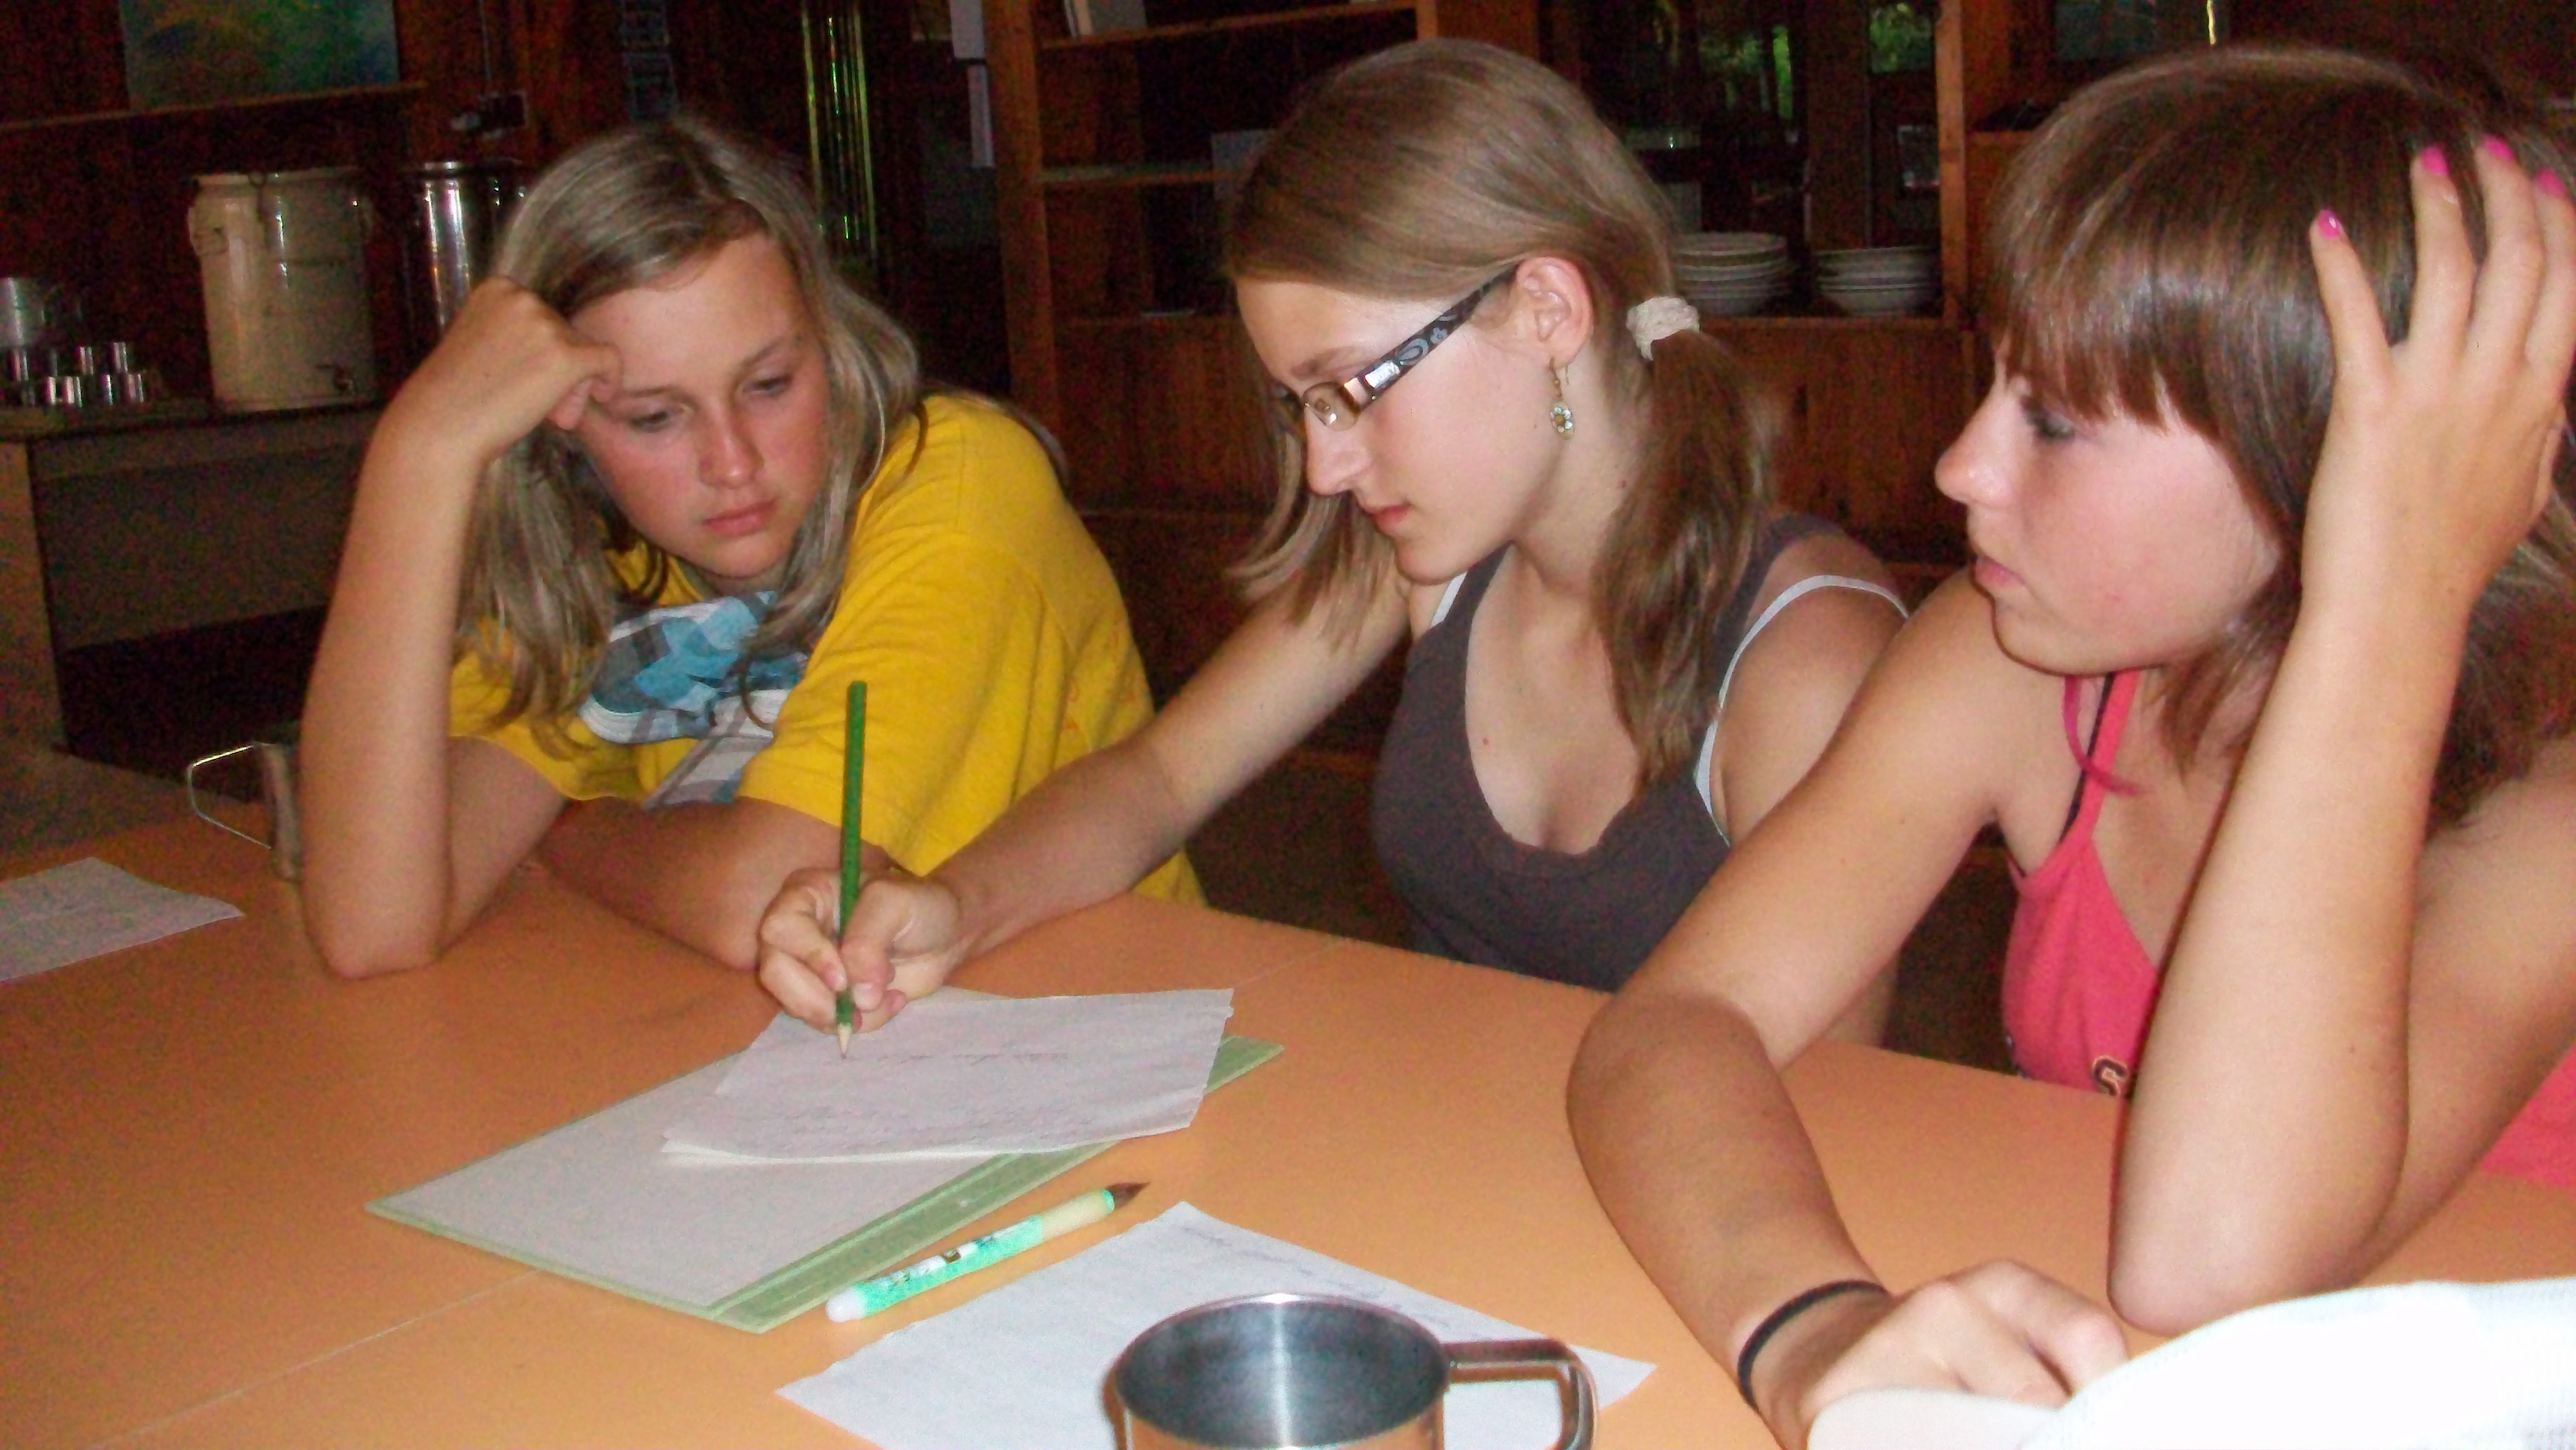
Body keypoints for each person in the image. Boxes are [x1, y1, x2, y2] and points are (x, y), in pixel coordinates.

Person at [1567, 44, 2576, 1449]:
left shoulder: (2539, 806)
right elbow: (1675, 1021)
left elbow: (2212, 1260)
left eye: (2051, 418)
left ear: (2318, 471)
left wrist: (2386, 596)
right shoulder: (2014, 666)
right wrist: (1805, 1327)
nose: (1959, 466)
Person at [749, 39, 1907, 1033]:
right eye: (1300, 406)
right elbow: (1160, 776)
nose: (1324, 466)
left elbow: (1823, 1109)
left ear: (1545, 309)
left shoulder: (1804, 662)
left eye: (1350, 389)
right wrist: (954, 904)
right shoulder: (1437, 563)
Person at [299, 115, 1194, 980]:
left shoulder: (962, 480)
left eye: (768, 385)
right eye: (655, 417)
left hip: (1104, 1015)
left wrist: (570, 826)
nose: (731, 464)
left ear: (830, 346)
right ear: (560, 428)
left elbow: (769, 899)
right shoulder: (598, 553)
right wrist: (416, 458)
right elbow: (374, 925)